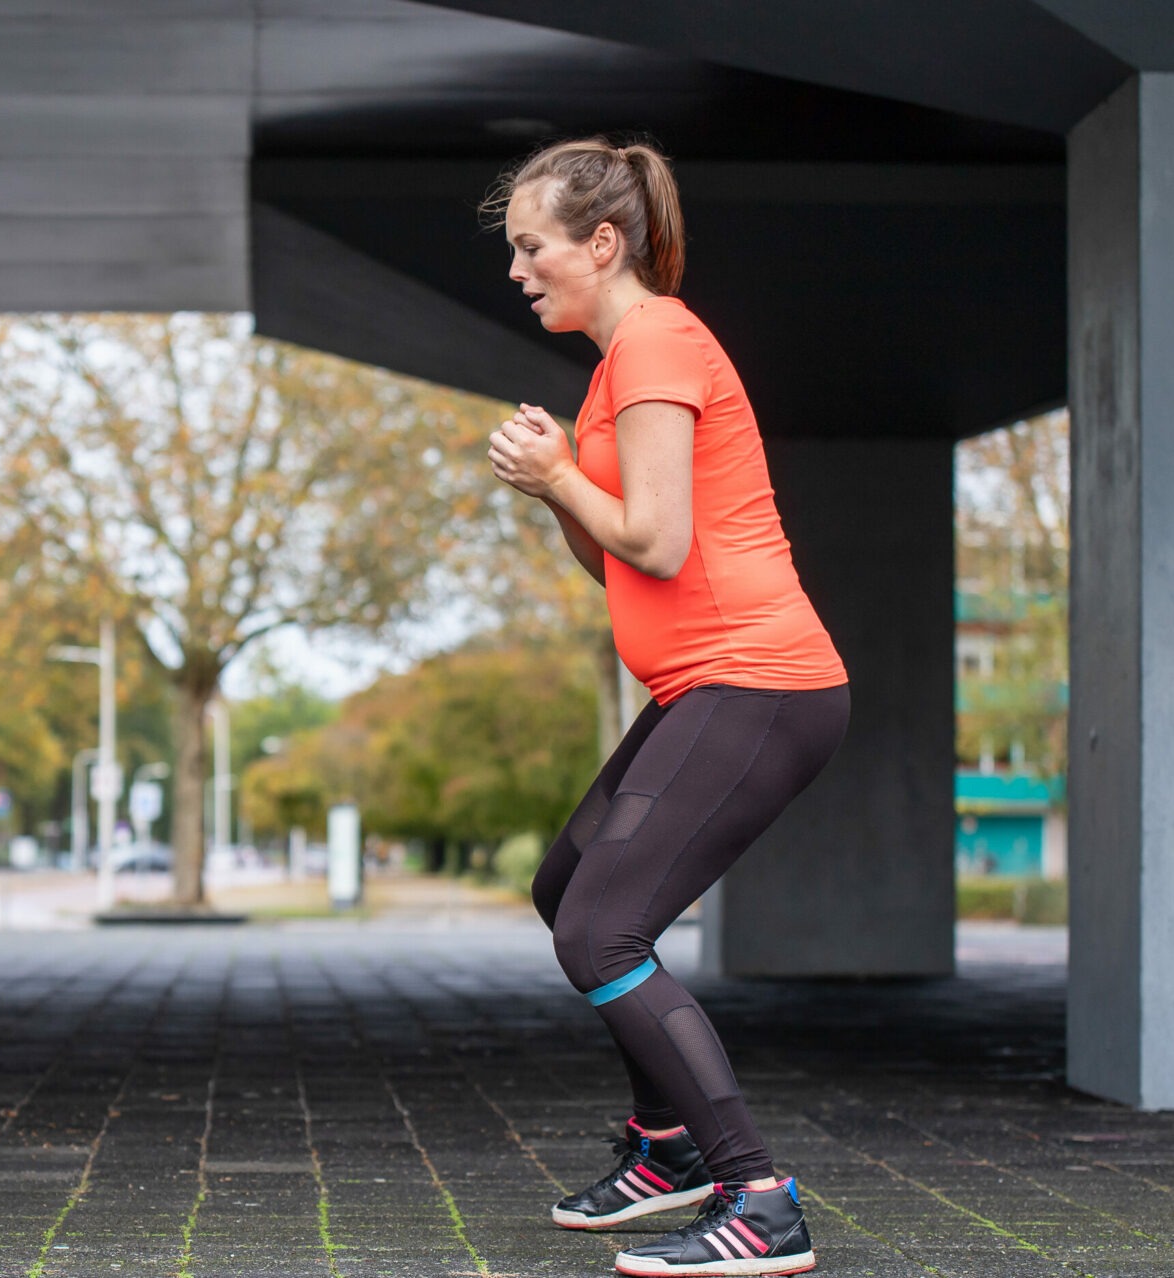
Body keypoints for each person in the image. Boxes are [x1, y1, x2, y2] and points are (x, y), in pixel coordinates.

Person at [484, 138, 847, 1277]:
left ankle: (758, 1194)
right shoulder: (613, 367)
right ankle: (665, 1148)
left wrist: (555, 477)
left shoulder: (654, 341)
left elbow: (657, 536)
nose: (517, 271)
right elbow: (617, 565)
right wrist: (555, 485)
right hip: (706, 681)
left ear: (601, 243)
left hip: (760, 679)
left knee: (601, 931)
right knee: (565, 891)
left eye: (530, 247)